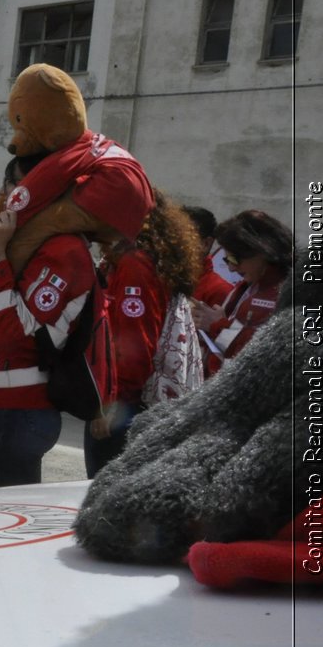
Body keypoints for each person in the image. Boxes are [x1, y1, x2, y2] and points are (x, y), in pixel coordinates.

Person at [0, 167, 99, 490]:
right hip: (1, 408)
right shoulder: (29, 246)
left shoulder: (63, 250)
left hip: (19, 410)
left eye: (11, 188)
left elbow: (10, 335)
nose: (4, 199)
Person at [83, 191, 203, 476]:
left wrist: (112, 404)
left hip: (127, 408)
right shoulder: (137, 259)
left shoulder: (135, 264)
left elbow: (134, 344)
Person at [192, 209, 293, 374]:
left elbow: (263, 353)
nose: (231, 268)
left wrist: (217, 325)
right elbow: (226, 346)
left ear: (262, 251)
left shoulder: (286, 294)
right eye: (227, 260)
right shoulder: (248, 287)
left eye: (235, 259)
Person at [183, 205, 236, 309]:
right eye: (171, 236)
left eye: (182, 237)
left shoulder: (220, 290)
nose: (172, 243)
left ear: (206, 244)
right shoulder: (160, 280)